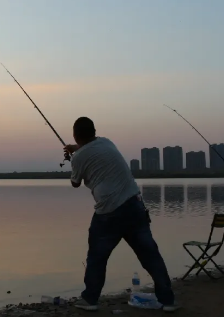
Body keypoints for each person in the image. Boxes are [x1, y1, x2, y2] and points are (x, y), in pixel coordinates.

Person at [63, 117, 179, 312]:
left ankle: (90, 299)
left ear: (75, 135)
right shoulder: (107, 142)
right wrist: (76, 149)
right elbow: (90, 148)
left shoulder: (80, 158)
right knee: (150, 256)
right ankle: (168, 301)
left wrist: (74, 158)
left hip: (109, 213)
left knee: (97, 258)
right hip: (135, 205)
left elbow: (75, 183)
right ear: (94, 132)